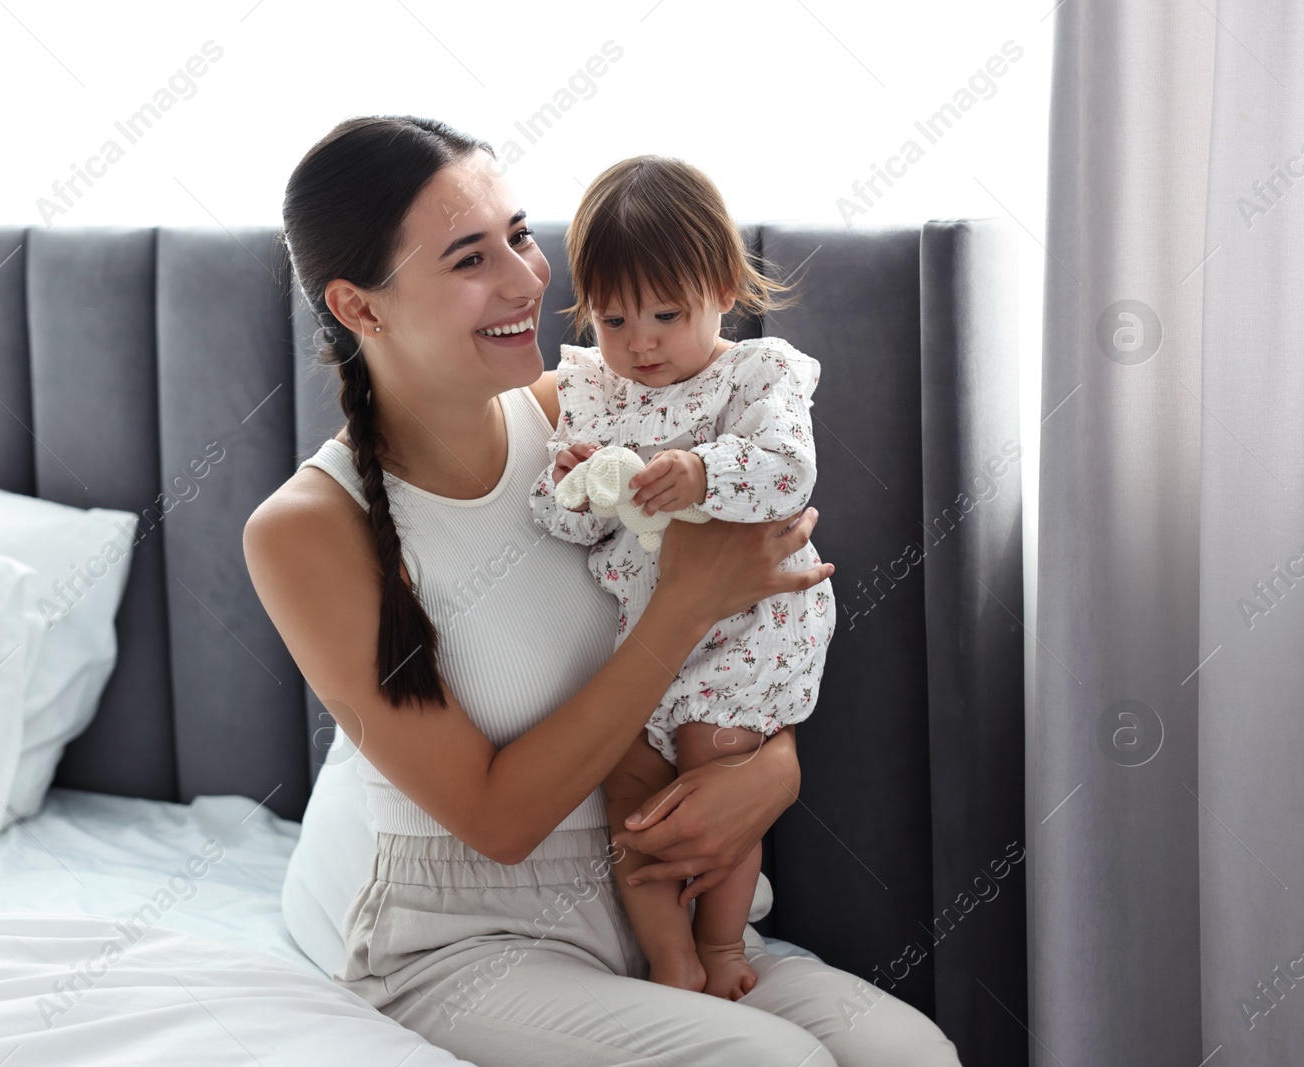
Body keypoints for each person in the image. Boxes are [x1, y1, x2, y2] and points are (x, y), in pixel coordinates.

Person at [243, 114, 962, 1066]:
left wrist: (771, 767)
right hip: (471, 943)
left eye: (520, 233)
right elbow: (498, 822)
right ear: (360, 306)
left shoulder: (594, 411)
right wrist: (680, 607)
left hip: (671, 908)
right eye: (469, 258)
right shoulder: (307, 529)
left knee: (912, 1055)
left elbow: (752, 629)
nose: (528, 279)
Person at [530, 154, 837, 1002]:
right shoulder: (592, 388)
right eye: (614, 317)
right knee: (628, 796)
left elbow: (788, 471)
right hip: (644, 631)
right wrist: (581, 481)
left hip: (744, 631)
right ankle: (671, 959)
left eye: (667, 313)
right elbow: (562, 522)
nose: (641, 342)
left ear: (725, 288)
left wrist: (701, 473)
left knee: (711, 768)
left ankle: (724, 939)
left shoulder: (757, 374)